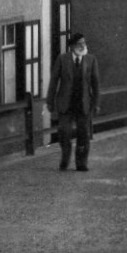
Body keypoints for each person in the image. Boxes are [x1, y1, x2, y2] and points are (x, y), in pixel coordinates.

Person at [46, 32, 101, 171]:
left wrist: (96, 103)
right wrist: (50, 101)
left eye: (84, 43)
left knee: (84, 134)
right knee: (64, 132)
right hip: (66, 103)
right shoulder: (62, 59)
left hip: (83, 103)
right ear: (72, 47)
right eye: (79, 44)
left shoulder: (91, 60)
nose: (83, 46)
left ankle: (81, 163)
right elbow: (53, 81)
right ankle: (65, 157)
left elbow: (96, 84)